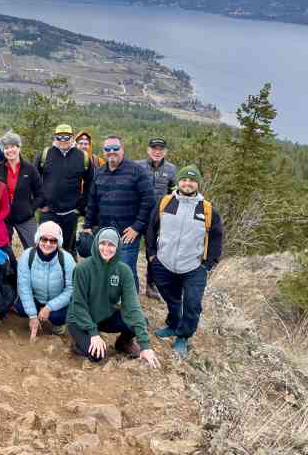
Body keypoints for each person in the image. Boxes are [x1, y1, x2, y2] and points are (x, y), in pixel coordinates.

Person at [146, 165, 223, 358]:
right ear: (178, 182)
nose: (187, 183)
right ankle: (173, 323)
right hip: (163, 262)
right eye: (184, 180)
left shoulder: (207, 210)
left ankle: (183, 335)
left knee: (192, 303)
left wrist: (208, 264)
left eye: (191, 180)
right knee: (171, 297)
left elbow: (216, 238)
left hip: (194, 266)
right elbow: (151, 228)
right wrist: (152, 254)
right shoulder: (165, 202)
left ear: (197, 183)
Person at [67, 227, 160, 368]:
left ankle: (123, 342)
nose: (106, 248)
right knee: (97, 355)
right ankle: (79, 340)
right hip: (80, 318)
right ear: (96, 244)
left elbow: (133, 307)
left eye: (111, 245)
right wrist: (93, 333)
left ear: (118, 247)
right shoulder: (82, 268)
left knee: (141, 321)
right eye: (103, 243)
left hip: (104, 316)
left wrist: (145, 346)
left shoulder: (124, 271)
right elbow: (78, 305)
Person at [84, 135, 155, 292]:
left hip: (127, 234)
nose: (111, 152)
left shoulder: (137, 171)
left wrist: (137, 227)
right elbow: (92, 201)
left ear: (122, 149)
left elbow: (149, 201)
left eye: (115, 148)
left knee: (126, 271)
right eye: (107, 149)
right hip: (104, 233)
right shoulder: (100, 173)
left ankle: (131, 308)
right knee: (105, 269)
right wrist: (88, 225)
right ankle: (108, 303)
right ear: (103, 152)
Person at [36, 124, 94, 255]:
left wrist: (80, 207)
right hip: (48, 212)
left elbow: (90, 184)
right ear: (54, 137)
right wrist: (40, 203)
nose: (63, 139)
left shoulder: (82, 157)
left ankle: (66, 274)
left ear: (72, 138)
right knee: (45, 246)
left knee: (66, 249)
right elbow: (34, 180)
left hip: (70, 213)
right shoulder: (45, 155)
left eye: (66, 136)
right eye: (59, 136)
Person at [135, 137, 178, 300]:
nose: (157, 151)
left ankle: (151, 286)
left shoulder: (172, 169)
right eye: (154, 148)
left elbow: (175, 194)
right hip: (137, 215)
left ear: (165, 151)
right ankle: (129, 283)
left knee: (153, 252)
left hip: (158, 219)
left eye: (160, 149)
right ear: (148, 150)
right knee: (129, 249)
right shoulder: (138, 166)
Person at [16, 221, 75, 337]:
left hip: (57, 300)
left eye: (53, 240)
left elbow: (71, 289)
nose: (48, 244)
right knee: (21, 307)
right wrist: (32, 315)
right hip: (37, 298)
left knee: (58, 316)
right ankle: (35, 318)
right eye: (44, 239)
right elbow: (24, 286)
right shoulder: (27, 256)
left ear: (58, 242)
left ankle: (56, 323)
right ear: (38, 239)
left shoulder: (67, 259)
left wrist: (49, 307)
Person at [0, 131, 42, 249]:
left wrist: (30, 209)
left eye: (13, 146)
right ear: (3, 150)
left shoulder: (30, 169)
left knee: (34, 248)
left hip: (25, 217)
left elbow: (40, 194)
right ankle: (10, 268)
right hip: (4, 217)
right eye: (6, 148)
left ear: (19, 147)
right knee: (3, 250)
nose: (10, 150)